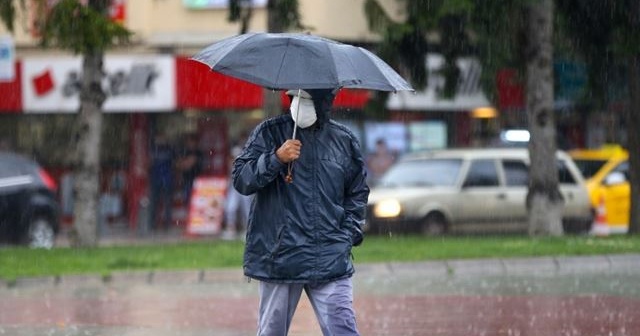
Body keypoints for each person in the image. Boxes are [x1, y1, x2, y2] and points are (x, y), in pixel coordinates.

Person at [232, 88, 369, 335]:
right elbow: (242, 179)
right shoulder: (269, 133)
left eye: (306, 99)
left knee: (343, 328)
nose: (298, 104)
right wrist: (275, 158)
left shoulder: (343, 140)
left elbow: (357, 192)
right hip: (280, 255)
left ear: (323, 102)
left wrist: (347, 234)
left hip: (330, 256)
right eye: (294, 97)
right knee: (271, 331)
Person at [221, 144, 253, 241]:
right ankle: (231, 229)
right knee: (230, 207)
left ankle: (248, 231)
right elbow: (229, 179)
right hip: (234, 189)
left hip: (245, 189)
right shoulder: (231, 165)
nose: (235, 159)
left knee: (247, 210)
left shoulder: (247, 164)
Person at [149, 133, 175, 231]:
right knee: (156, 203)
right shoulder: (154, 150)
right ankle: (154, 224)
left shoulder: (168, 150)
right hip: (158, 179)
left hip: (165, 179)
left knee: (165, 202)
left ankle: (164, 224)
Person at [177, 133, 203, 206]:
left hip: (196, 179)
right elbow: (178, 164)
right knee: (186, 198)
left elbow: (188, 164)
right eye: (188, 142)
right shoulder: (184, 152)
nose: (189, 143)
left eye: (191, 141)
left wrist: (184, 163)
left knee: (196, 199)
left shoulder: (198, 152)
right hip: (186, 178)